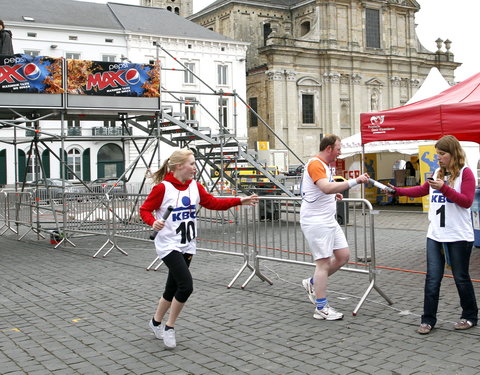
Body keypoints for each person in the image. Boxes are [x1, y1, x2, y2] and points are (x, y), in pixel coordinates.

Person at [140, 149, 258, 348]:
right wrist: (153, 222)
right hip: (169, 245)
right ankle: (169, 327)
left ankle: (155, 322)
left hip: (188, 244)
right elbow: (144, 210)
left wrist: (239, 200)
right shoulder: (163, 188)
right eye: (192, 164)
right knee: (186, 286)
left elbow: (212, 202)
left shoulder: (195, 186)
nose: (195, 168)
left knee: (172, 287)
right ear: (179, 166)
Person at [387, 135, 478, 334]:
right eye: (437, 154)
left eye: (442, 154)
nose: (438, 158)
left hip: (458, 235)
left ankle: (470, 315)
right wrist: (398, 192)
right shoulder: (438, 171)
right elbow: (422, 189)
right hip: (435, 234)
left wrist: (444, 188)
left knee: (460, 277)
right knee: (432, 278)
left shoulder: (466, 173)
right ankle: (428, 320)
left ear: (453, 154)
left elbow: (467, 202)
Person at [300, 134, 370, 320]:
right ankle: (321, 308)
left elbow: (324, 190)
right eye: (338, 149)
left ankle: (313, 282)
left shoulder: (324, 166)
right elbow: (324, 187)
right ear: (329, 148)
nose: (340, 153)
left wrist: (332, 196)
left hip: (327, 219)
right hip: (316, 221)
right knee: (323, 263)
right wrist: (356, 181)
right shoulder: (316, 163)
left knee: (343, 255)